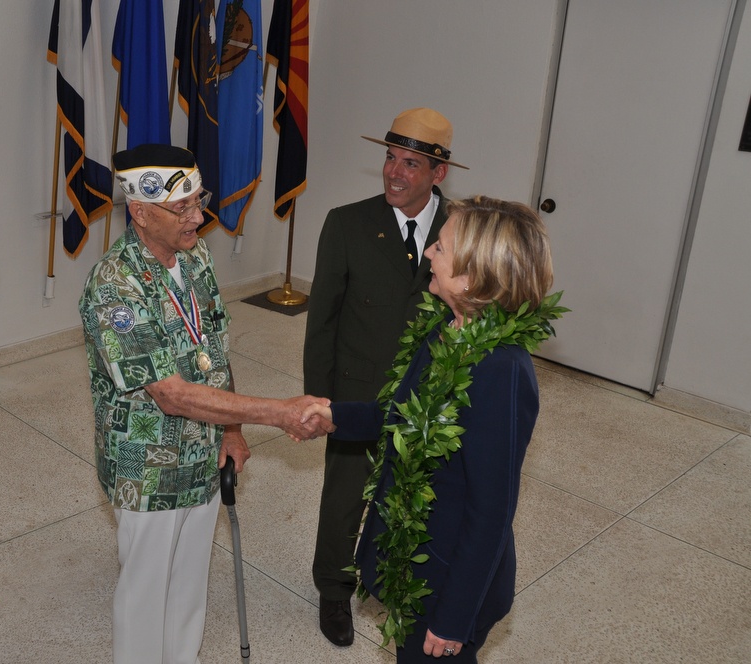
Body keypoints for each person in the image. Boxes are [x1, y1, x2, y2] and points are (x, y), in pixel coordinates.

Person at [79, 144, 333, 663]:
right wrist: (279, 412)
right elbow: (170, 395)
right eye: (183, 208)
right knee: (146, 591)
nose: (199, 217)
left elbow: (213, 349)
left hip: (204, 452)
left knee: (190, 581)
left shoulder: (194, 258)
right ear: (141, 212)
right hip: (146, 466)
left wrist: (234, 430)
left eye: (200, 200)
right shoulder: (114, 286)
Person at [303, 196, 562, 662]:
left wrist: (454, 617)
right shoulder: (445, 326)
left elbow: (491, 512)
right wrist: (334, 414)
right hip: (415, 562)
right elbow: (402, 414)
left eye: (440, 248)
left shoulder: (501, 371)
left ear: (470, 276)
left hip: (446, 583)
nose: (427, 254)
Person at [303, 107, 468, 646]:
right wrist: (318, 398)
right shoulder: (347, 223)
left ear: (438, 174)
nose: (394, 172)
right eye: (390, 158)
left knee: (418, 495)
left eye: (412, 164)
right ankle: (333, 587)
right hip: (357, 389)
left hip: (430, 397)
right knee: (345, 495)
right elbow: (322, 319)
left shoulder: (462, 230)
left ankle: (394, 580)